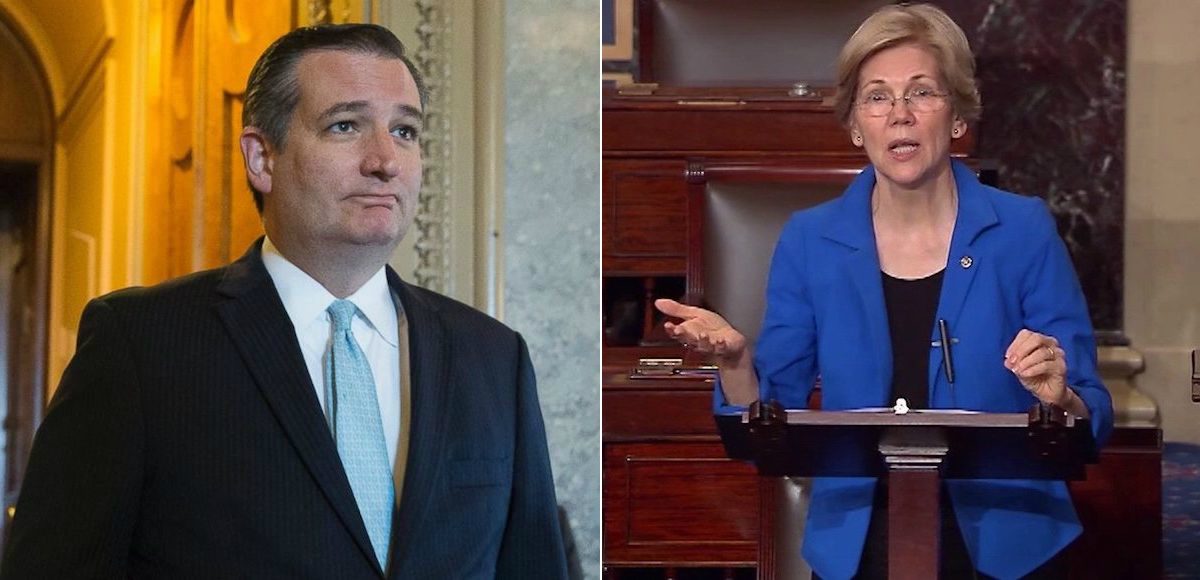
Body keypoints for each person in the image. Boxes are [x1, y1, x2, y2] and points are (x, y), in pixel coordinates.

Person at [1, 24, 568, 579]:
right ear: (261, 158)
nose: (385, 161)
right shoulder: (141, 344)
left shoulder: (494, 357)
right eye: (346, 126)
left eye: (405, 132)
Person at [655, 4, 1113, 579]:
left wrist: (1057, 397)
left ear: (956, 118)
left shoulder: (1023, 231)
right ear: (854, 124)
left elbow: (1091, 414)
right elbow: (770, 422)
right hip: (861, 536)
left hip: (1007, 537)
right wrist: (737, 363)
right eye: (877, 97)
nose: (899, 114)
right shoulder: (810, 241)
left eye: (921, 93)